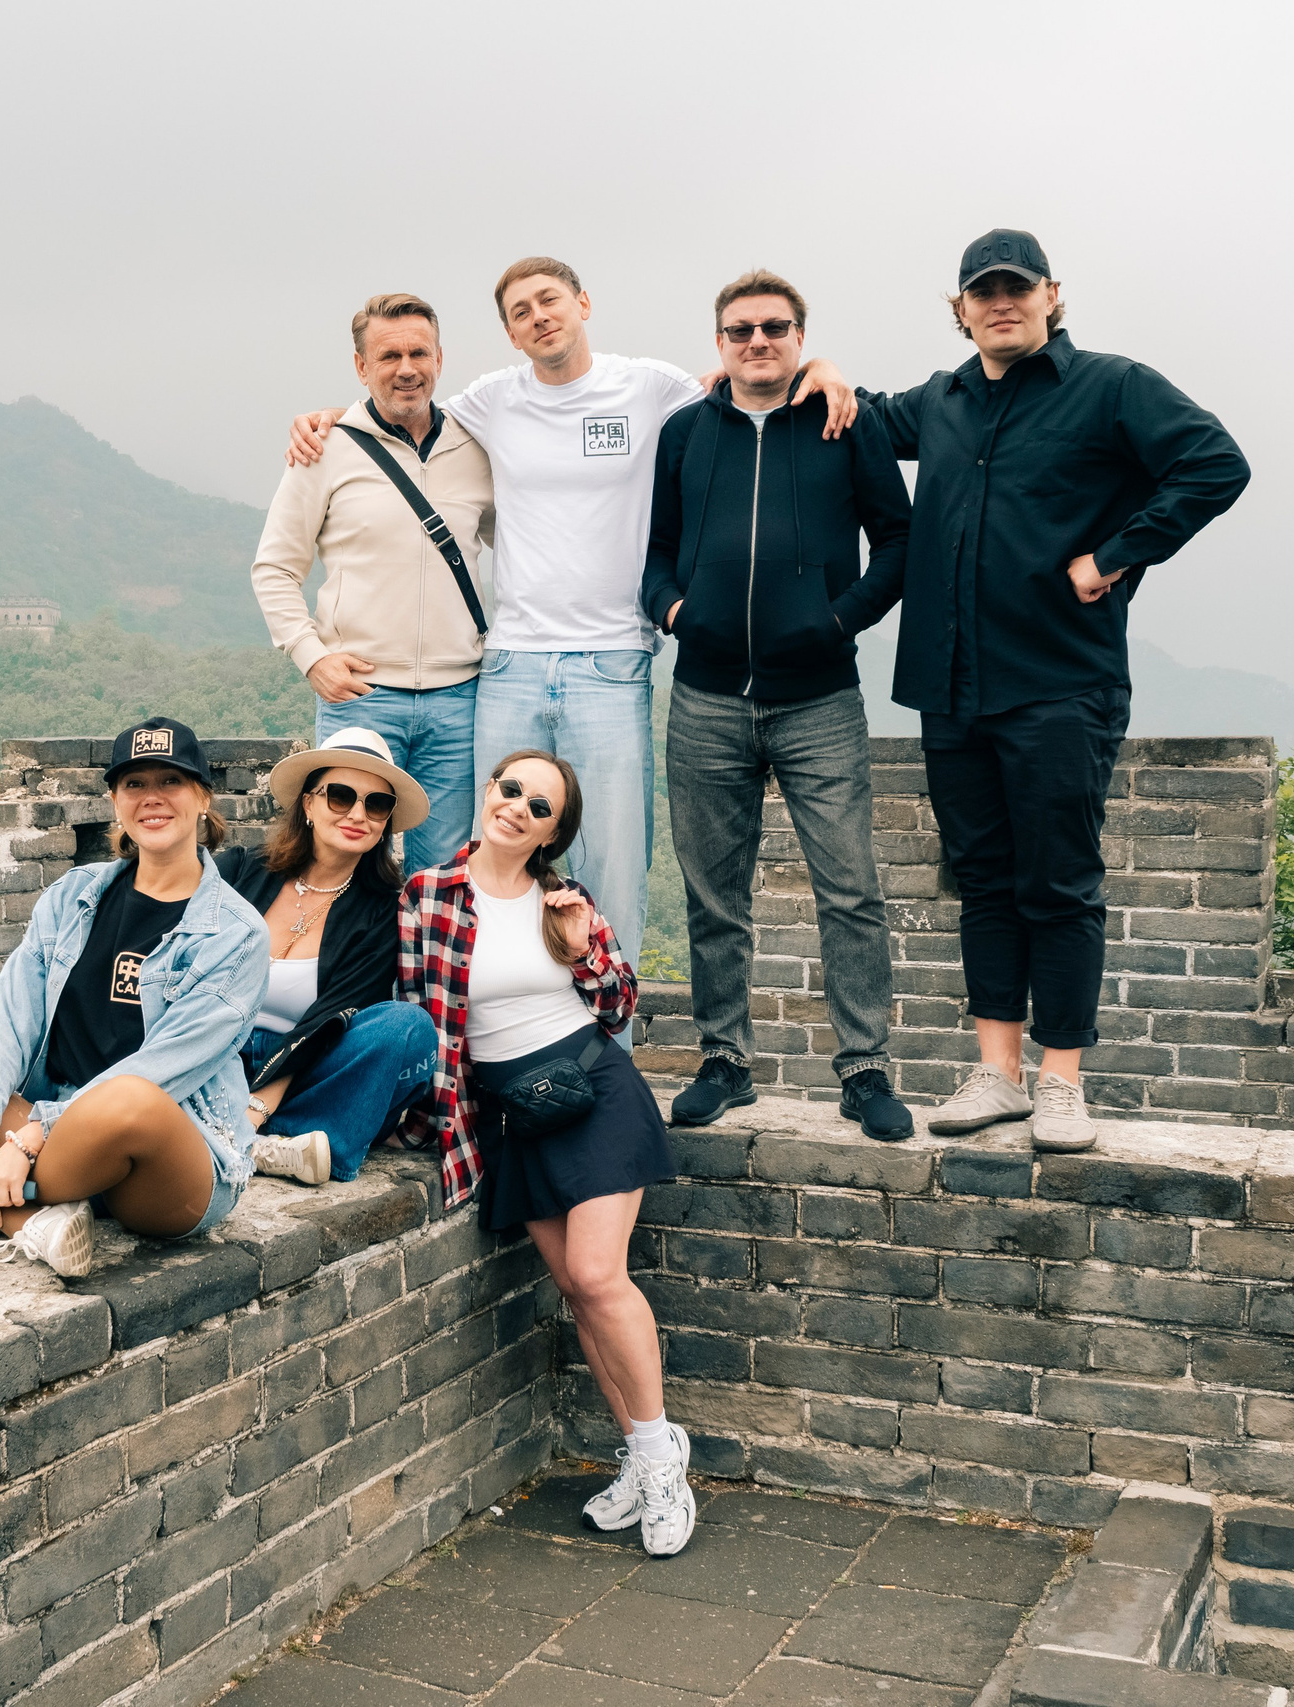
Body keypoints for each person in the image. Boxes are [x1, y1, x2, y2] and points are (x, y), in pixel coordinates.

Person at [294, 258, 858, 962]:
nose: (539, 315)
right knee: (489, 860)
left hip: (611, 660)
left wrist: (825, 367)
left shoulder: (649, 387)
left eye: (550, 300)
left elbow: (750, 379)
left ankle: (606, 1051)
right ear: (508, 332)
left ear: (583, 302)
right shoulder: (491, 400)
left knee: (610, 864)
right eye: (521, 310)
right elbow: (400, 409)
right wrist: (325, 419)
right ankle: (490, 1039)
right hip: (509, 665)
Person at [829, 230, 1251, 1153]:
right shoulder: (936, 403)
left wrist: (1117, 555)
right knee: (983, 881)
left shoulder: (1112, 386)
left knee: (1057, 883)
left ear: (1052, 295)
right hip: (951, 684)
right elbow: (854, 417)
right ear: (961, 308)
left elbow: (1217, 462)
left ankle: (1062, 1081)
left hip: (1062, 679)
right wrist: (816, 368)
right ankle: (999, 1072)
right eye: (982, 292)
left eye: (1016, 288)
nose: (1000, 302)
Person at [641, 269, 917, 1141]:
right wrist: (676, 611)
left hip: (820, 698)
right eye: (740, 330)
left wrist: (839, 619)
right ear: (719, 343)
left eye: (773, 328)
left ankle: (866, 1069)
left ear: (800, 336)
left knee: (851, 890)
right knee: (712, 892)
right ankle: (724, 1061)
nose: (757, 341)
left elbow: (900, 540)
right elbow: (653, 552)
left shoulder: (846, 422)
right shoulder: (686, 432)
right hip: (707, 698)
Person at [396, 748, 691, 1556]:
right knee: (574, 1288)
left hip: (595, 1094)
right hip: (513, 1116)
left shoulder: (562, 898)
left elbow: (620, 1000)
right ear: (488, 792)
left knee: (600, 1274)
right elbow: (420, 1014)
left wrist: (582, 941)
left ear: (553, 830)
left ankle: (664, 1458)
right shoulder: (426, 896)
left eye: (540, 804)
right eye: (511, 788)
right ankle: (637, 1450)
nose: (518, 806)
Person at [0, 717, 268, 1274]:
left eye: (170, 781)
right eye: (134, 784)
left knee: (130, 1097)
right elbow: (13, 1021)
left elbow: (163, 1069)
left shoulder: (236, 935)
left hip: (165, 1159)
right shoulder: (73, 897)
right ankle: (28, 1219)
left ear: (201, 797)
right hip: (53, 1129)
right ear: (115, 801)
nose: (153, 799)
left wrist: (29, 1138)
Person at [251, 293, 494, 872]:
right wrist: (311, 657)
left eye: (419, 353)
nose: (406, 368)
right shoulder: (324, 448)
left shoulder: (480, 446)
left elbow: (523, 542)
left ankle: (424, 970)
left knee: (442, 876)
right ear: (361, 366)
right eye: (388, 356)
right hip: (361, 698)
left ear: (440, 358)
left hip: (461, 699)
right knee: (344, 866)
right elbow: (276, 567)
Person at [214, 727, 440, 1185]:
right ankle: (282, 1143)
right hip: (217, 1051)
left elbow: (329, 1023)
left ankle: (261, 1138)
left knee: (407, 1029)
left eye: (376, 804)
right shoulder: (240, 870)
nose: (359, 813)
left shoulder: (383, 909)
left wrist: (256, 1108)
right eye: (340, 795)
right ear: (309, 804)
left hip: (305, 1069)